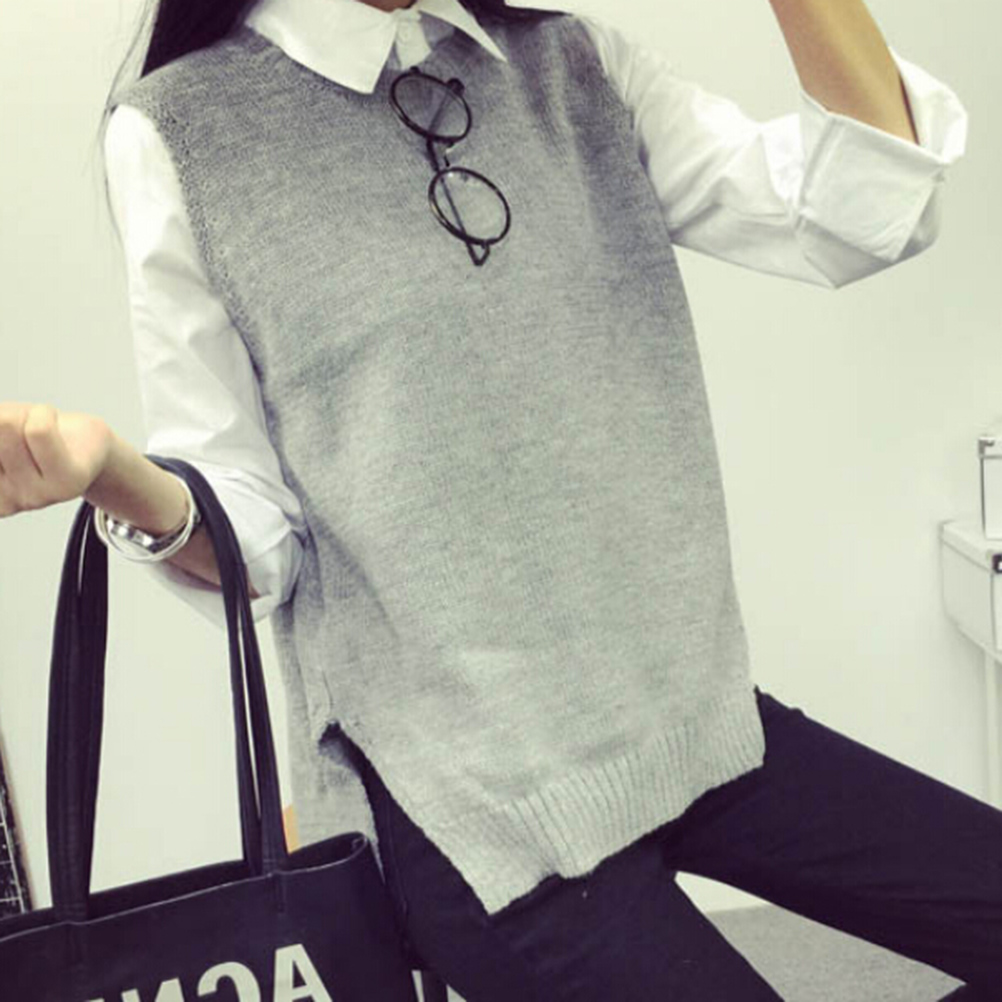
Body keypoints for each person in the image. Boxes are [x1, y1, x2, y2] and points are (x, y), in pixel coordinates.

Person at [0, 0, 994, 997]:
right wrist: (114, 475)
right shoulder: (180, 130)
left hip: (693, 724)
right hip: (473, 812)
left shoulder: (569, 63)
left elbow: (862, 211)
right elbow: (257, 542)